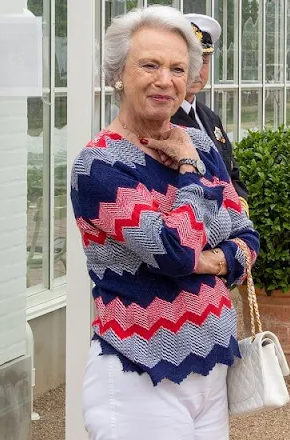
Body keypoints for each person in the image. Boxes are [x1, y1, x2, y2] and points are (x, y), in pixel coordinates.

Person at [70, 6, 259, 439]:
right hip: (138, 371)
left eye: (178, 68)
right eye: (149, 65)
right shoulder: (99, 165)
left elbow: (246, 234)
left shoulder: (199, 141)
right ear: (118, 73)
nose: (165, 80)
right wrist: (190, 172)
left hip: (211, 365)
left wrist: (206, 257)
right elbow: (173, 250)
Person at [171, 13, 249, 213]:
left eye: (204, 61)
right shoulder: (162, 120)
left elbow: (232, 172)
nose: (197, 71)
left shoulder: (209, 117)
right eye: (191, 61)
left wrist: (239, 210)